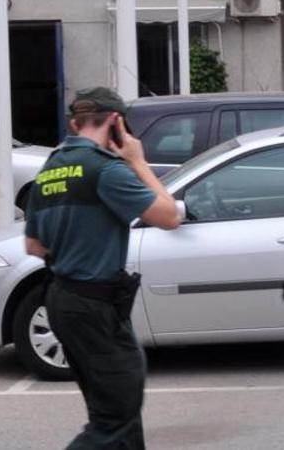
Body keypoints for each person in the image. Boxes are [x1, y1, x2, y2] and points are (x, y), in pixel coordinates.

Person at [24, 87, 181, 449]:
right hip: (94, 305)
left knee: (117, 414)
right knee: (115, 418)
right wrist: (138, 162)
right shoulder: (106, 171)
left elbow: (34, 246)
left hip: (64, 298)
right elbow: (169, 216)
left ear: (73, 123)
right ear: (116, 122)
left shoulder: (49, 170)